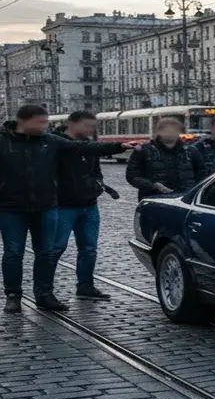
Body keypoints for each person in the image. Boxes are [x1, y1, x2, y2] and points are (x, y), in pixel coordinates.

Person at [2, 105, 133, 313]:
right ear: (23, 121)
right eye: (40, 122)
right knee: (13, 252)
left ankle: (44, 295)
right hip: (11, 208)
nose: (45, 126)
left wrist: (118, 146)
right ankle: (13, 295)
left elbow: (82, 147)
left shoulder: (50, 141)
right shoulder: (3, 141)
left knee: (46, 253)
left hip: (45, 206)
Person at [47, 111, 127, 306]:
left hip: (89, 204)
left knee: (89, 249)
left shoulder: (89, 145)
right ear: (73, 124)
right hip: (63, 205)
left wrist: (97, 185)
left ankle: (85, 286)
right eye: (88, 126)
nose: (91, 130)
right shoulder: (56, 143)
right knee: (56, 248)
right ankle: (45, 291)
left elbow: (96, 170)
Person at [126, 116, 208, 202]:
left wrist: (193, 189)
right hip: (154, 199)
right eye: (166, 130)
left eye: (174, 129)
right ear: (159, 131)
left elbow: (202, 173)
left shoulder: (191, 151)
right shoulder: (144, 151)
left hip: (184, 198)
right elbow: (132, 176)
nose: (170, 133)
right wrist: (152, 186)